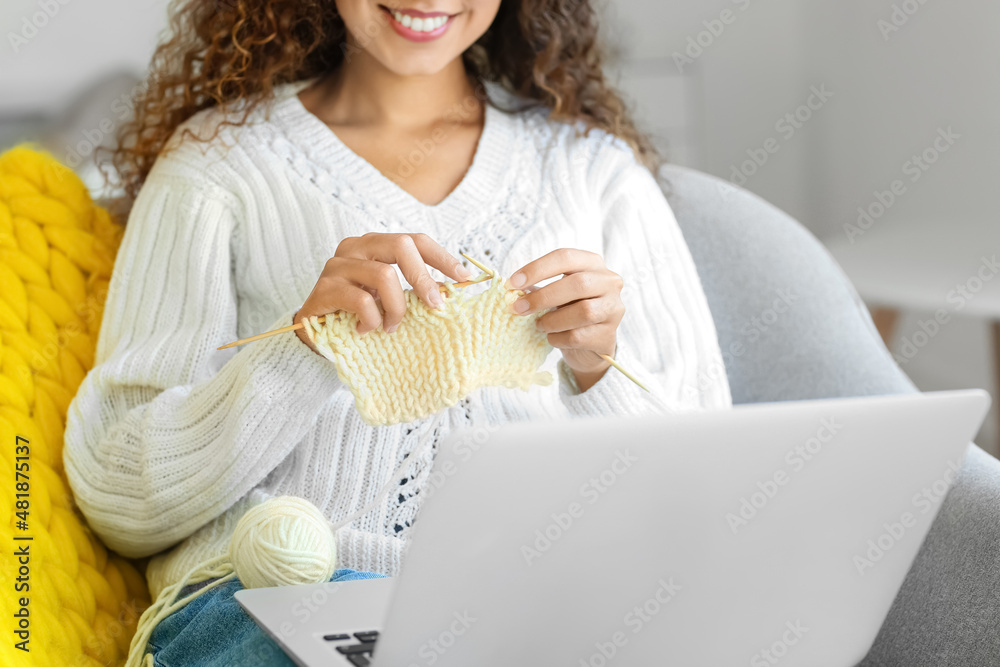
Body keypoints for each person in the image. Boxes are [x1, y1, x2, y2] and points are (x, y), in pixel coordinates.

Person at [63, 0, 732, 662]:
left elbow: (707, 501)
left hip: (536, 608)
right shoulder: (217, 167)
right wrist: (302, 352)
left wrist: (598, 369)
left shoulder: (593, 169)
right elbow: (121, 499)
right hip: (280, 601)